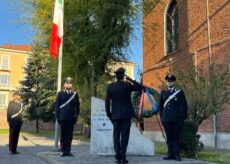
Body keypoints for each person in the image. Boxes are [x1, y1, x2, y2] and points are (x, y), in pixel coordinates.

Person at [105, 67, 143, 163]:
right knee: (125, 136)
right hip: (126, 114)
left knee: (116, 135)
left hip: (115, 115)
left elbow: (106, 102)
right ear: (123, 76)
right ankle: (123, 157)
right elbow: (140, 87)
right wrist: (130, 79)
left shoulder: (110, 86)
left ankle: (117, 156)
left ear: (116, 76)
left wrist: (109, 115)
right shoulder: (127, 85)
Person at [158, 74, 187, 161]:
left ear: (173, 82)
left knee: (176, 137)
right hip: (166, 119)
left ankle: (177, 155)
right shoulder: (163, 93)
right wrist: (162, 117)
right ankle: (170, 154)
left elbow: (184, 106)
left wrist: (181, 118)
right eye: (168, 81)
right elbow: (160, 107)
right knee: (169, 137)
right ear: (166, 82)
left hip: (175, 119)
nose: (169, 82)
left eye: (171, 81)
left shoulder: (179, 92)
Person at [55, 77, 80, 157]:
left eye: (70, 83)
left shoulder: (75, 94)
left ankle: (68, 151)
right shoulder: (60, 93)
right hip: (62, 118)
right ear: (64, 84)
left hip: (71, 118)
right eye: (67, 83)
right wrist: (57, 117)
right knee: (63, 135)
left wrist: (76, 116)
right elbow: (57, 106)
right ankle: (63, 151)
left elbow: (77, 106)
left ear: (71, 85)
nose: (69, 84)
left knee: (69, 135)